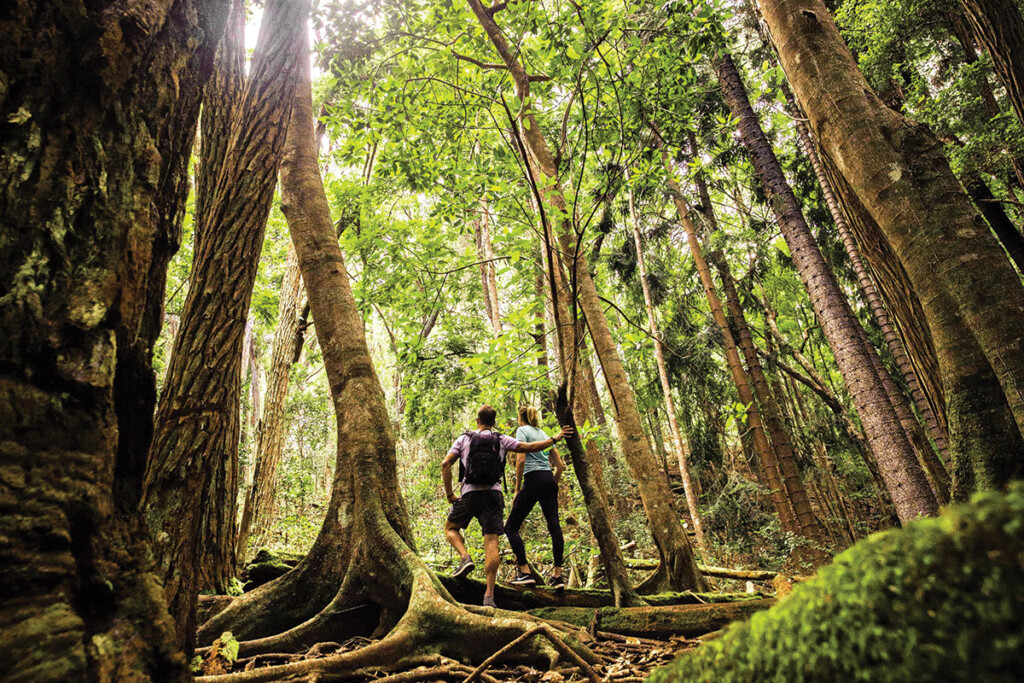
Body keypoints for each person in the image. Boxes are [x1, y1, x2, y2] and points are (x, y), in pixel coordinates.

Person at [441, 404, 572, 608]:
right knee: (492, 541)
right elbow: (529, 449)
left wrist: (450, 494)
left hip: (469, 494)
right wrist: (554, 439)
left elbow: (445, 464)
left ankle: (465, 557)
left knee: (451, 528)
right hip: (494, 495)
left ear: (477, 420)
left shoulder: (464, 438)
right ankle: (489, 596)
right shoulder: (501, 439)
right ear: (493, 423)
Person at [504, 405, 568, 589]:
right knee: (554, 526)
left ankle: (525, 572)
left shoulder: (522, 431)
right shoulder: (543, 434)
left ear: (520, 416)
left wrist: (517, 490)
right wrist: (552, 483)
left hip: (532, 480)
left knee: (510, 527)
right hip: (548, 479)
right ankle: (557, 576)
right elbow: (560, 466)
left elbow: (521, 460)